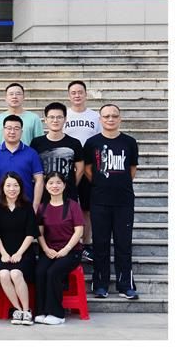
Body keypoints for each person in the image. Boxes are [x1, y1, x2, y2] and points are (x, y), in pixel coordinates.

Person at [83, 104, 139, 300]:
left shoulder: (129, 142)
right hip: (99, 200)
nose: (110, 119)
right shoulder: (92, 142)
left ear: (120, 118)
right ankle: (100, 284)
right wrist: (102, 183)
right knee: (101, 243)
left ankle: (126, 285)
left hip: (124, 201)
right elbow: (88, 169)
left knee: (124, 243)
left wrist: (118, 183)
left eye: (114, 116)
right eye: (106, 116)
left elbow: (132, 170)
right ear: (100, 119)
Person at [34, 171, 85, 325]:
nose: (54, 186)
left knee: (53, 272)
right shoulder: (42, 207)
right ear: (46, 186)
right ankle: (41, 311)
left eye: (58, 183)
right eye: (51, 183)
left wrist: (66, 249)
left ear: (64, 185)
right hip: (50, 250)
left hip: (71, 251)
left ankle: (57, 314)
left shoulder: (73, 205)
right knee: (40, 271)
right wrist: (45, 249)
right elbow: (39, 233)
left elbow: (79, 231)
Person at [0, 172, 38, 326]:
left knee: (16, 273)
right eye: (8, 185)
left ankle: (26, 310)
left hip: (24, 253)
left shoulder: (27, 207)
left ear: (21, 188)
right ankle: (17, 309)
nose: (12, 189)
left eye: (15, 185)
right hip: (3, 253)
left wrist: (19, 253)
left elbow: (31, 233)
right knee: (4, 274)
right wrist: (4, 253)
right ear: (2, 188)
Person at [64, 80, 102, 263]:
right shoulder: (64, 115)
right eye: (73, 92)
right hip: (67, 167)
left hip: (88, 167)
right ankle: (66, 242)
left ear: (86, 94)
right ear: (69, 95)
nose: (77, 95)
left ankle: (86, 244)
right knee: (65, 207)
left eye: (80, 92)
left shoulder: (95, 116)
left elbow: (101, 140)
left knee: (86, 208)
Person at [31, 102, 84, 207]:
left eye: (59, 117)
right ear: (45, 120)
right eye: (51, 117)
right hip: (43, 195)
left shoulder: (74, 143)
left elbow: (80, 169)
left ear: (65, 119)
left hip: (68, 195)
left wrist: (69, 185)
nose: (55, 120)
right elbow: (33, 169)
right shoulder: (36, 143)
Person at [0, 115, 44, 211]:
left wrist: (35, 206)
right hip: (0, 206)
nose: (12, 132)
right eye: (9, 128)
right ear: (3, 130)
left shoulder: (31, 153)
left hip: (25, 205)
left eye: (16, 128)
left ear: (21, 132)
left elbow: (39, 179)